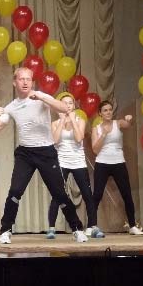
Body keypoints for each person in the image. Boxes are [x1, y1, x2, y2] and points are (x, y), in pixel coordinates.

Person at [0, 67, 86, 244]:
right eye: (21, 79)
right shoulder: (11, 107)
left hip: (46, 152)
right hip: (25, 154)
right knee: (15, 191)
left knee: (59, 193)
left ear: (32, 82)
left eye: (28, 79)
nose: (25, 82)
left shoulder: (42, 97)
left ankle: (77, 228)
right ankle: (5, 230)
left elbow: (64, 108)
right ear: (15, 82)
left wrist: (41, 97)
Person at [46, 92, 97, 240]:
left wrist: (73, 119)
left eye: (70, 103)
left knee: (87, 195)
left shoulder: (80, 120)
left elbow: (79, 138)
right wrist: (62, 120)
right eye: (64, 103)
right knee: (57, 194)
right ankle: (51, 228)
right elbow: (55, 140)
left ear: (74, 105)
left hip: (78, 162)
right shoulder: (55, 123)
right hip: (61, 161)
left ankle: (92, 226)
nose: (67, 105)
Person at [90, 101, 143, 237]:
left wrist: (129, 119)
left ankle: (132, 226)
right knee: (97, 195)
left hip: (118, 162)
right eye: (105, 110)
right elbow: (95, 150)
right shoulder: (96, 128)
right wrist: (103, 134)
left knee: (126, 195)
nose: (108, 112)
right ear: (100, 113)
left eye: (110, 109)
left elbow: (128, 124)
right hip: (102, 162)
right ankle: (91, 226)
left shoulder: (117, 123)